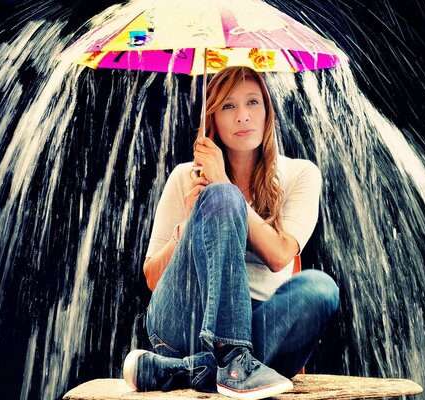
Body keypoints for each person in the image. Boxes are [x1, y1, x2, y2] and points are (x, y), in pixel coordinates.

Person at [122, 66, 339, 400]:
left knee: (321, 288)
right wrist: (191, 222)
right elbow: (153, 278)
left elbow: (281, 255)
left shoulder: (300, 174)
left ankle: (184, 370)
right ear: (212, 119)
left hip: (262, 326)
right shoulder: (185, 177)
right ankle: (233, 361)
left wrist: (223, 185)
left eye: (253, 103)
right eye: (228, 106)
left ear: (268, 113)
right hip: (186, 318)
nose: (242, 117)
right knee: (220, 198)